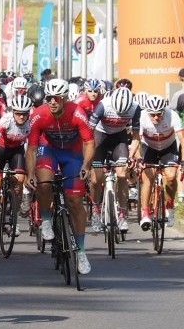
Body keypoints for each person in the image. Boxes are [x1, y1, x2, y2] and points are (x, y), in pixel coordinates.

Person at [25, 78, 94, 275]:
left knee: (75, 202)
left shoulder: (77, 113)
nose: (52, 102)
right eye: (49, 98)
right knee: (44, 183)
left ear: (64, 99)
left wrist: (86, 165)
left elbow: (89, 143)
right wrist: (30, 173)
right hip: (49, 151)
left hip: (73, 155)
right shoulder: (39, 115)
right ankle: (46, 220)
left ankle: (81, 252)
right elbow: (31, 149)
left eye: (56, 98)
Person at [88, 86, 140, 233]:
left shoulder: (135, 108)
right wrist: (87, 155)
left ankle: (122, 214)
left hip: (119, 138)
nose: (119, 115)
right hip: (100, 136)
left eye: (123, 113)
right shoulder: (103, 104)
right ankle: (96, 210)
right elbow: (88, 132)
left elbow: (136, 137)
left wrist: (130, 156)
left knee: (122, 175)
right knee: (95, 180)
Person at [132, 95, 184, 229]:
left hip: (168, 147)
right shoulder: (141, 117)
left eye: (159, 114)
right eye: (153, 115)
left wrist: (183, 161)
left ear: (164, 110)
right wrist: (139, 159)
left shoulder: (172, 116)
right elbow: (136, 141)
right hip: (148, 147)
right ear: (147, 112)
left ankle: (170, 204)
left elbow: (182, 140)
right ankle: (145, 214)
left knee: (171, 177)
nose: (156, 117)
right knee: (148, 178)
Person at [0, 94, 33, 237]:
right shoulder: (6, 119)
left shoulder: (30, 124)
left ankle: (13, 218)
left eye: (24, 113)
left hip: (16, 151)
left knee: (18, 183)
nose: (21, 116)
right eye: (18, 113)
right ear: (13, 112)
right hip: (1, 149)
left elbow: (31, 149)